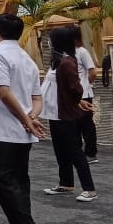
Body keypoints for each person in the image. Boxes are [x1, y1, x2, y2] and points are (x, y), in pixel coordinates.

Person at [0, 13, 49, 224]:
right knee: (19, 182)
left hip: (4, 130)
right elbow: (37, 98)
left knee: (5, 183)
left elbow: (3, 92)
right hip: (20, 132)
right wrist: (32, 116)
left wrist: (24, 119)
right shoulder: (27, 59)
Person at [43, 28, 98, 201]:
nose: (49, 43)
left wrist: (77, 100)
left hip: (65, 114)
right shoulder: (57, 61)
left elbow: (75, 88)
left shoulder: (67, 62)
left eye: (51, 40)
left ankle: (89, 189)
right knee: (60, 151)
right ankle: (66, 184)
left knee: (75, 151)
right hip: (54, 113)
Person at [70, 26, 99, 163]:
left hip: (84, 94)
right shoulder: (66, 53)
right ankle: (77, 152)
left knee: (86, 124)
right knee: (73, 124)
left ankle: (90, 153)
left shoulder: (82, 52)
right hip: (72, 94)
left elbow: (92, 72)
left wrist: (87, 84)